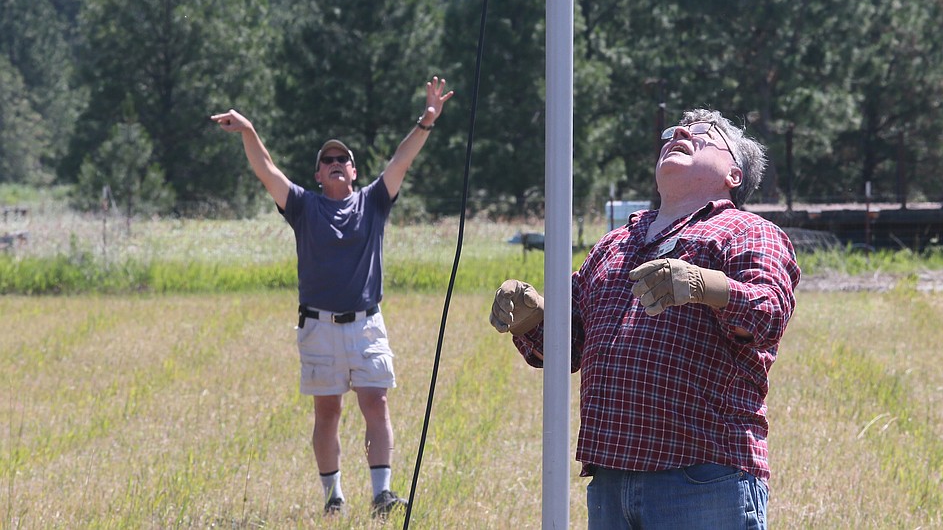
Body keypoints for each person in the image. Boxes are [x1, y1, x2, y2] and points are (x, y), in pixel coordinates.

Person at [490, 108, 800, 530]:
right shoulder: (614, 244)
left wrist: (703, 284)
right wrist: (532, 316)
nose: (684, 135)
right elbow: (570, 345)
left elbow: (768, 315)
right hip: (611, 478)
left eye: (705, 135)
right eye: (676, 131)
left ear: (734, 174)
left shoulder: (747, 231)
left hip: (705, 473)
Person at [211, 76, 453, 519]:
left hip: (366, 324)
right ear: (318, 174)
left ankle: (381, 494)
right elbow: (266, 169)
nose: (337, 162)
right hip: (319, 326)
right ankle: (334, 497)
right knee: (328, 413)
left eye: (345, 159)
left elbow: (402, 159)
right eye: (329, 160)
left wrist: (427, 120)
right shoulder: (303, 206)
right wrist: (248, 130)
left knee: (376, 403)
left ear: (355, 172)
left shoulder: (374, 202)